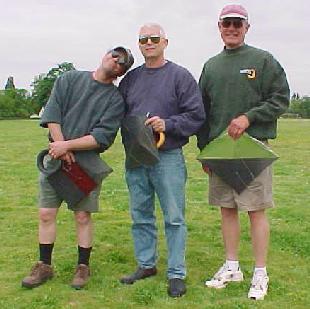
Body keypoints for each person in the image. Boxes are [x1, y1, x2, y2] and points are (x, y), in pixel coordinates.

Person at [197, 4, 290, 300]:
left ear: (247, 27)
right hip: (221, 152)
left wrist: (249, 117)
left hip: (254, 149)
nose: (232, 28)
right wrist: (205, 151)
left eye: (238, 24)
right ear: (219, 27)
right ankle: (232, 265)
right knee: (227, 208)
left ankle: (260, 272)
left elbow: (281, 98)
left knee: (255, 210)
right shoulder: (211, 66)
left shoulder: (263, 60)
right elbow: (203, 112)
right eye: (227, 24)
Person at [22, 46, 134, 289]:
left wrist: (67, 147)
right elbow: (53, 114)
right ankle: (44, 265)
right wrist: (60, 147)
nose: (116, 61)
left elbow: (102, 137)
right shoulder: (69, 79)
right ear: (105, 54)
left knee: (83, 216)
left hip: (85, 165)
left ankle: (83, 267)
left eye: (122, 62)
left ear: (121, 72)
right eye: (115, 55)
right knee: (46, 213)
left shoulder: (115, 100)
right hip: (55, 160)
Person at [118, 23, 205, 297]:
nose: (149, 42)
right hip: (136, 157)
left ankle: (176, 273)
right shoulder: (130, 80)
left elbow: (196, 115)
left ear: (165, 42)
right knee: (140, 215)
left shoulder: (180, 77)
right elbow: (117, 113)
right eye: (143, 39)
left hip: (167, 157)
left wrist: (166, 124)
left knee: (174, 217)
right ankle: (146, 264)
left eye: (154, 38)